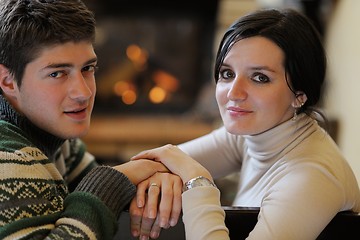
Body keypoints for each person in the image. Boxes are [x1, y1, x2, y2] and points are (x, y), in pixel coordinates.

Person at [131, 8, 360, 239]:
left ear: (300, 95)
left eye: (260, 78)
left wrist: (196, 181)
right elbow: (149, 168)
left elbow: (181, 165)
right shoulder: (252, 133)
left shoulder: (312, 175)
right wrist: (165, 176)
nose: (234, 93)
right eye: (228, 74)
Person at [0, 0, 182, 239]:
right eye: (57, 73)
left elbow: (95, 193)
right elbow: (101, 188)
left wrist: (154, 177)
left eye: (87, 69)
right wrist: (116, 178)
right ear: (8, 82)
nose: (84, 92)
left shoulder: (58, 139)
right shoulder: (8, 158)